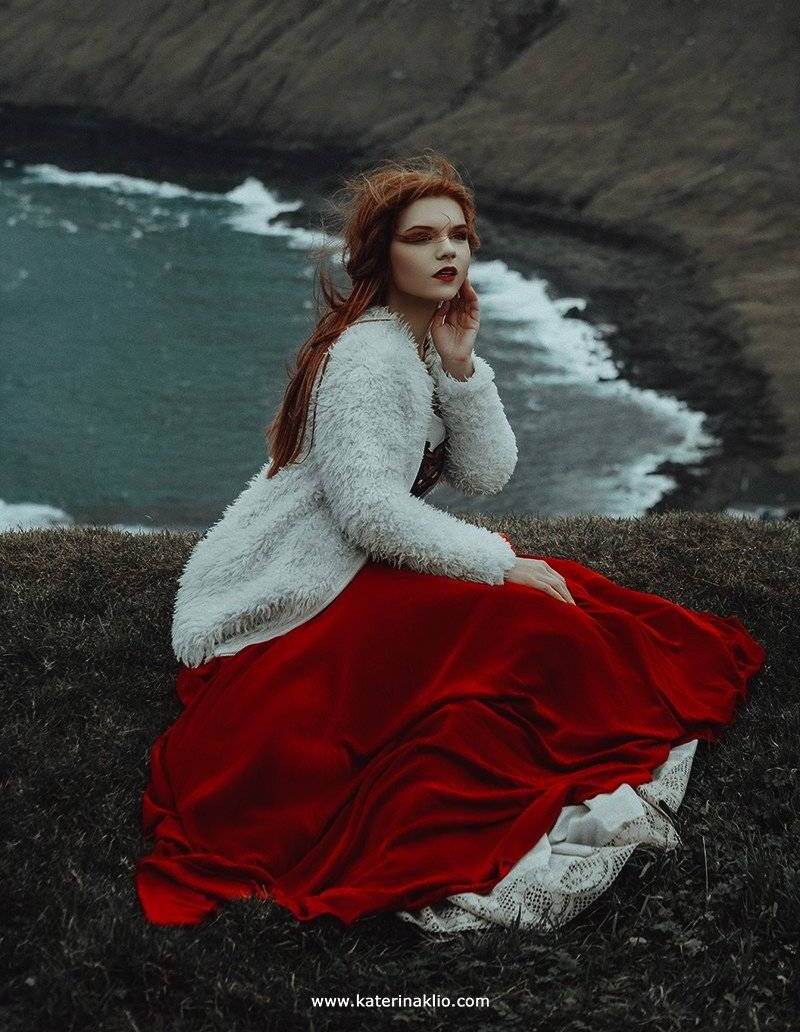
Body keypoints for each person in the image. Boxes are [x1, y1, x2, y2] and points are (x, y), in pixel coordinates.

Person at [136, 151, 765, 934]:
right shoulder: (369, 357)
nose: (447, 253)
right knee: (526, 615)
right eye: (422, 238)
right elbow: (368, 510)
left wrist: (463, 368)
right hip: (299, 590)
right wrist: (498, 565)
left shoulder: (422, 342)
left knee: (564, 595)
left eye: (458, 236)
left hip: (356, 564)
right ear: (380, 255)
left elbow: (486, 472)